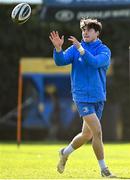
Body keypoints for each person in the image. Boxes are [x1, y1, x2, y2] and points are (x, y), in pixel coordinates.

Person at [49, 17, 116, 178]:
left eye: (89, 30)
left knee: (87, 135)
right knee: (98, 132)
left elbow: (94, 62)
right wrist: (58, 49)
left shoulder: (104, 50)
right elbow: (61, 61)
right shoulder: (76, 47)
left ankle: (64, 153)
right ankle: (104, 170)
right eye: (83, 30)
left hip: (98, 96)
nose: (85, 32)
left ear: (97, 33)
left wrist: (81, 50)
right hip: (81, 96)